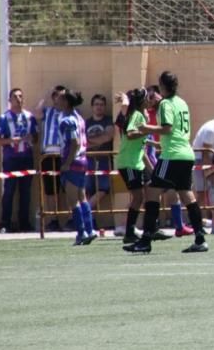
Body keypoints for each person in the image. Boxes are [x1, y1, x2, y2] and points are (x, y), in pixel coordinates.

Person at [124, 70, 209, 254]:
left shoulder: (165, 104)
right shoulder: (182, 102)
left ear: (162, 86)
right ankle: (200, 238)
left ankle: (146, 240)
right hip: (186, 154)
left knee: (152, 192)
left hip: (172, 155)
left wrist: (146, 128)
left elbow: (167, 129)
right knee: (187, 195)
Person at [114, 89, 154, 244]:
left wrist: (152, 142)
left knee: (151, 191)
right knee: (138, 196)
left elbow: (141, 145)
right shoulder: (136, 115)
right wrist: (148, 130)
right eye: (147, 98)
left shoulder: (140, 116)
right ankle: (129, 231)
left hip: (137, 162)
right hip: (129, 163)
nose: (149, 100)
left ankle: (151, 227)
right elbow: (131, 134)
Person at [0, 88, 38, 233]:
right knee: (9, 191)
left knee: (25, 192)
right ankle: (5, 223)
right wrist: (10, 140)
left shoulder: (29, 117)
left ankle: (24, 223)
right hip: (11, 159)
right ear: (10, 100)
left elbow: (36, 136)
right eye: (15, 97)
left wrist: (32, 138)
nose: (19, 99)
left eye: (21, 96)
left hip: (26, 158)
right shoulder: (4, 118)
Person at [57, 89, 94, 246]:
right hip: (83, 160)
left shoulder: (68, 120)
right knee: (82, 197)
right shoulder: (79, 117)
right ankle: (90, 229)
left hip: (73, 161)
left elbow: (74, 142)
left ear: (66, 102)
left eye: (61, 98)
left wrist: (66, 163)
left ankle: (81, 232)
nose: (58, 100)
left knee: (73, 201)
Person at [35, 85, 66, 231]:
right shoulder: (48, 111)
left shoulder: (69, 113)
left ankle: (69, 217)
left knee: (65, 187)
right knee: (50, 189)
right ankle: (53, 219)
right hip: (48, 153)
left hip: (63, 154)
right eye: (57, 96)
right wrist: (46, 94)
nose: (59, 99)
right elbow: (37, 113)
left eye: (62, 96)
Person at [83, 94, 114, 223]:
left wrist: (89, 142)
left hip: (104, 159)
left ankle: (83, 212)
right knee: (88, 190)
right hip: (88, 160)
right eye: (96, 104)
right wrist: (97, 140)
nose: (99, 107)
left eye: (101, 104)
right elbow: (81, 141)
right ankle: (90, 220)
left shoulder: (108, 121)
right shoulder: (86, 122)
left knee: (103, 189)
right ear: (92, 106)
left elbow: (107, 137)